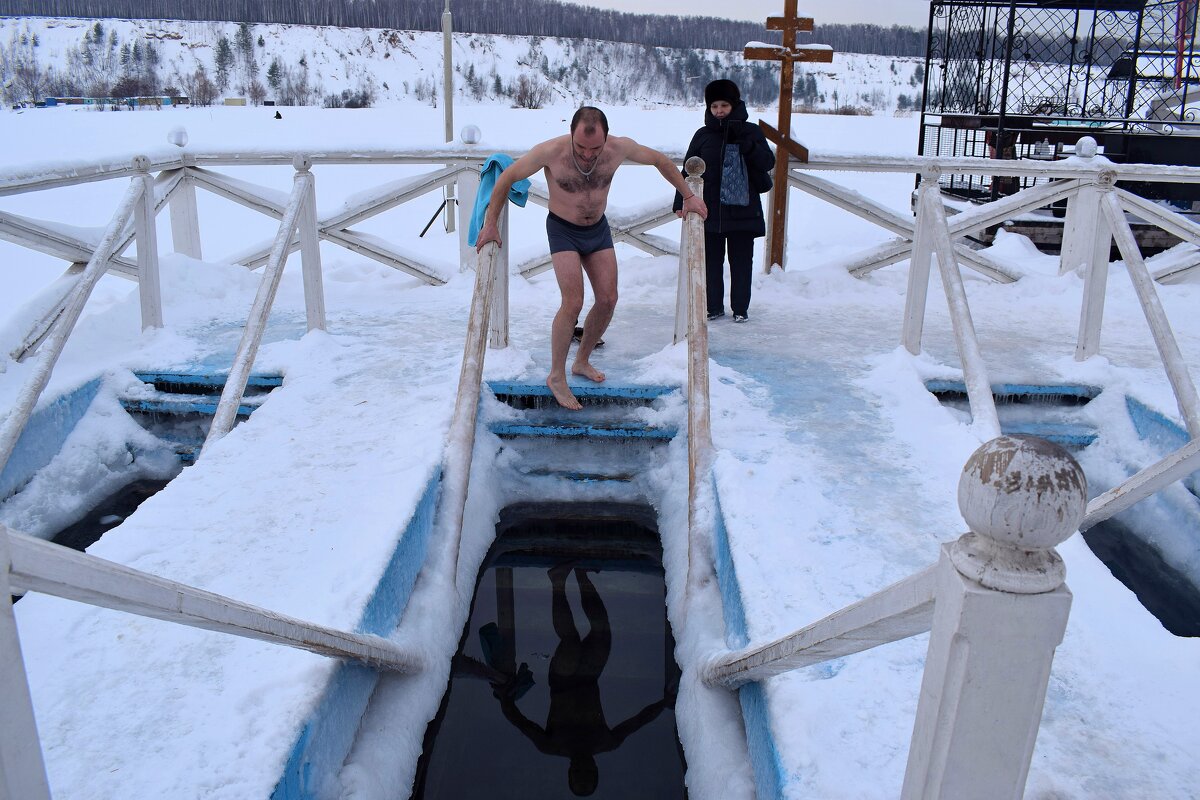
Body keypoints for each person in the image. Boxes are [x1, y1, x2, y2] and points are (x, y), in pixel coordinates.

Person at [475, 106, 707, 410]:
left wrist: (688, 196)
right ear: (571, 134)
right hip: (562, 230)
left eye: (594, 148)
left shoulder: (618, 148)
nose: (587, 154)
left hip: (597, 229)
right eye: (580, 147)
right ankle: (556, 375)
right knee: (572, 301)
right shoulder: (550, 151)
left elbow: (660, 161)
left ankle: (581, 361)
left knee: (608, 299)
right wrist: (490, 223)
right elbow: (506, 179)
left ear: (606, 138)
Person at [674, 79, 775, 324]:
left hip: (743, 210)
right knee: (711, 263)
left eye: (724, 105)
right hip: (710, 211)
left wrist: (748, 146)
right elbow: (688, 168)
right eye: (714, 106)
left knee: (741, 264)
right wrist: (680, 201)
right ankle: (713, 307)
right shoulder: (703, 135)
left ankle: (741, 309)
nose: (719, 110)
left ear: (735, 105)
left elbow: (767, 163)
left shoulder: (751, 131)